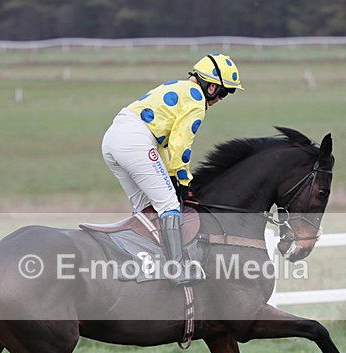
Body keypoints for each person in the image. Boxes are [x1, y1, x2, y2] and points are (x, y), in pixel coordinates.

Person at [101, 53, 243, 286]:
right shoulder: (196, 100)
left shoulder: (180, 87)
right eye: (223, 91)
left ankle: (139, 262)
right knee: (168, 205)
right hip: (135, 140)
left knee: (145, 209)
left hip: (113, 139)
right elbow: (180, 146)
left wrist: (171, 175)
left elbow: (166, 149)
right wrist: (185, 182)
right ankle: (176, 269)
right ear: (210, 87)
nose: (222, 98)